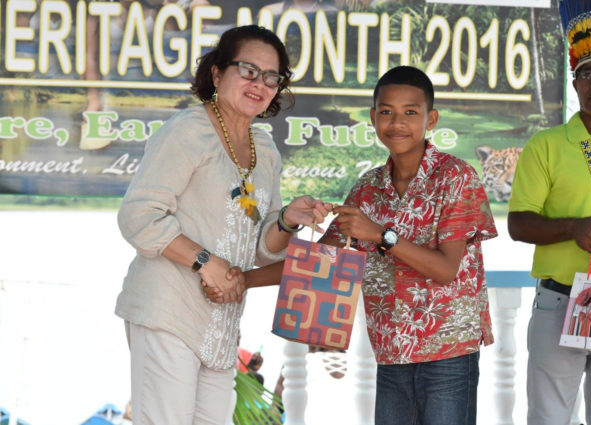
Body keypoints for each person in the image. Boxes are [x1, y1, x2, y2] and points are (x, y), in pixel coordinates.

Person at [210, 65, 497, 425]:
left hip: (448, 353)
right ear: (373, 118)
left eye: (411, 112)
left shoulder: (456, 176)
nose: (397, 122)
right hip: (391, 352)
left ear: (431, 118)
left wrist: (380, 235)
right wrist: (241, 279)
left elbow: (446, 268)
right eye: (387, 112)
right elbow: (320, 263)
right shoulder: (367, 188)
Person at [115, 24, 331, 425]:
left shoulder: (264, 149)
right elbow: (138, 216)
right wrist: (208, 263)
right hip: (167, 307)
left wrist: (287, 219)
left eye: (272, 76)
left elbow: (262, 246)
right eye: (248, 70)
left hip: (221, 321)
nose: (260, 83)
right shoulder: (187, 131)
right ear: (217, 73)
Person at [507, 2, 591, 424]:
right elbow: (518, 223)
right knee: (548, 418)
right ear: (575, 82)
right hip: (561, 300)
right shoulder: (546, 145)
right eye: (588, 73)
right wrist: (574, 228)